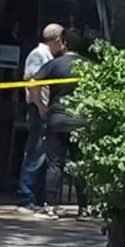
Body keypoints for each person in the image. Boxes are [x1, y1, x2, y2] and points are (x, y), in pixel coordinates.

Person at [31, 28, 87, 217]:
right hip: (81, 120)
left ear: (64, 43)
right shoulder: (90, 66)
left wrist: (40, 105)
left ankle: (51, 206)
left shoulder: (55, 65)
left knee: (55, 164)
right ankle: (84, 207)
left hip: (57, 118)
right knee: (81, 164)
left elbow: (33, 82)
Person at [17, 23, 62, 212]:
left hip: (44, 109)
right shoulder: (38, 55)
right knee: (35, 151)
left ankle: (37, 196)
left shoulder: (50, 57)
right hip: (38, 110)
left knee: (43, 152)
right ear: (58, 40)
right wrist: (41, 107)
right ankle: (26, 196)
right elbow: (33, 83)